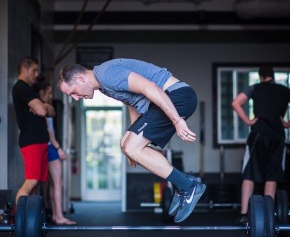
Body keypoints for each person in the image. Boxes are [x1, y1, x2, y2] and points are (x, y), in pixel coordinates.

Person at [57, 58, 206, 223]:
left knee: (132, 147)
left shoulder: (107, 75)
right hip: (165, 101)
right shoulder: (104, 86)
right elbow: (132, 102)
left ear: (80, 78)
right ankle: (185, 183)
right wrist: (130, 142)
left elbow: (150, 88)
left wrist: (177, 120)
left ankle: (188, 186)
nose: (76, 98)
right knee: (125, 144)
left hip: (176, 97)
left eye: (73, 92)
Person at [232, 65, 290, 225]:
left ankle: (244, 215)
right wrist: (287, 123)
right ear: (272, 76)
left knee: (249, 173)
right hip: (277, 135)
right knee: (272, 175)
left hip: (258, 134)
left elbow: (236, 103)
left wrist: (249, 121)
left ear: (261, 76)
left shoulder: (254, 88)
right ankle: (268, 216)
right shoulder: (285, 90)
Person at [12, 57, 55, 204]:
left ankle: (30, 222)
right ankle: (19, 222)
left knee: (36, 184)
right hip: (32, 142)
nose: (37, 74)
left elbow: (51, 111)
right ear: (25, 67)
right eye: (34, 70)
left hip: (40, 141)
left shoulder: (29, 89)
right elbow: (43, 111)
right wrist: (43, 107)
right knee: (31, 181)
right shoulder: (20, 87)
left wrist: (42, 106)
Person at [33, 78, 76, 225]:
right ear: (41, 92)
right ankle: (58, 216)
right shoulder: (41, 107)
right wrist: (59, 148)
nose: (51, 95)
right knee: (58, 182)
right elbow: (48, 132)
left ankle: (56, 215)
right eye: (49, 92)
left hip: (47, 146)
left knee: (53, 183)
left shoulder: (43, 106)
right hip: (50, 146)